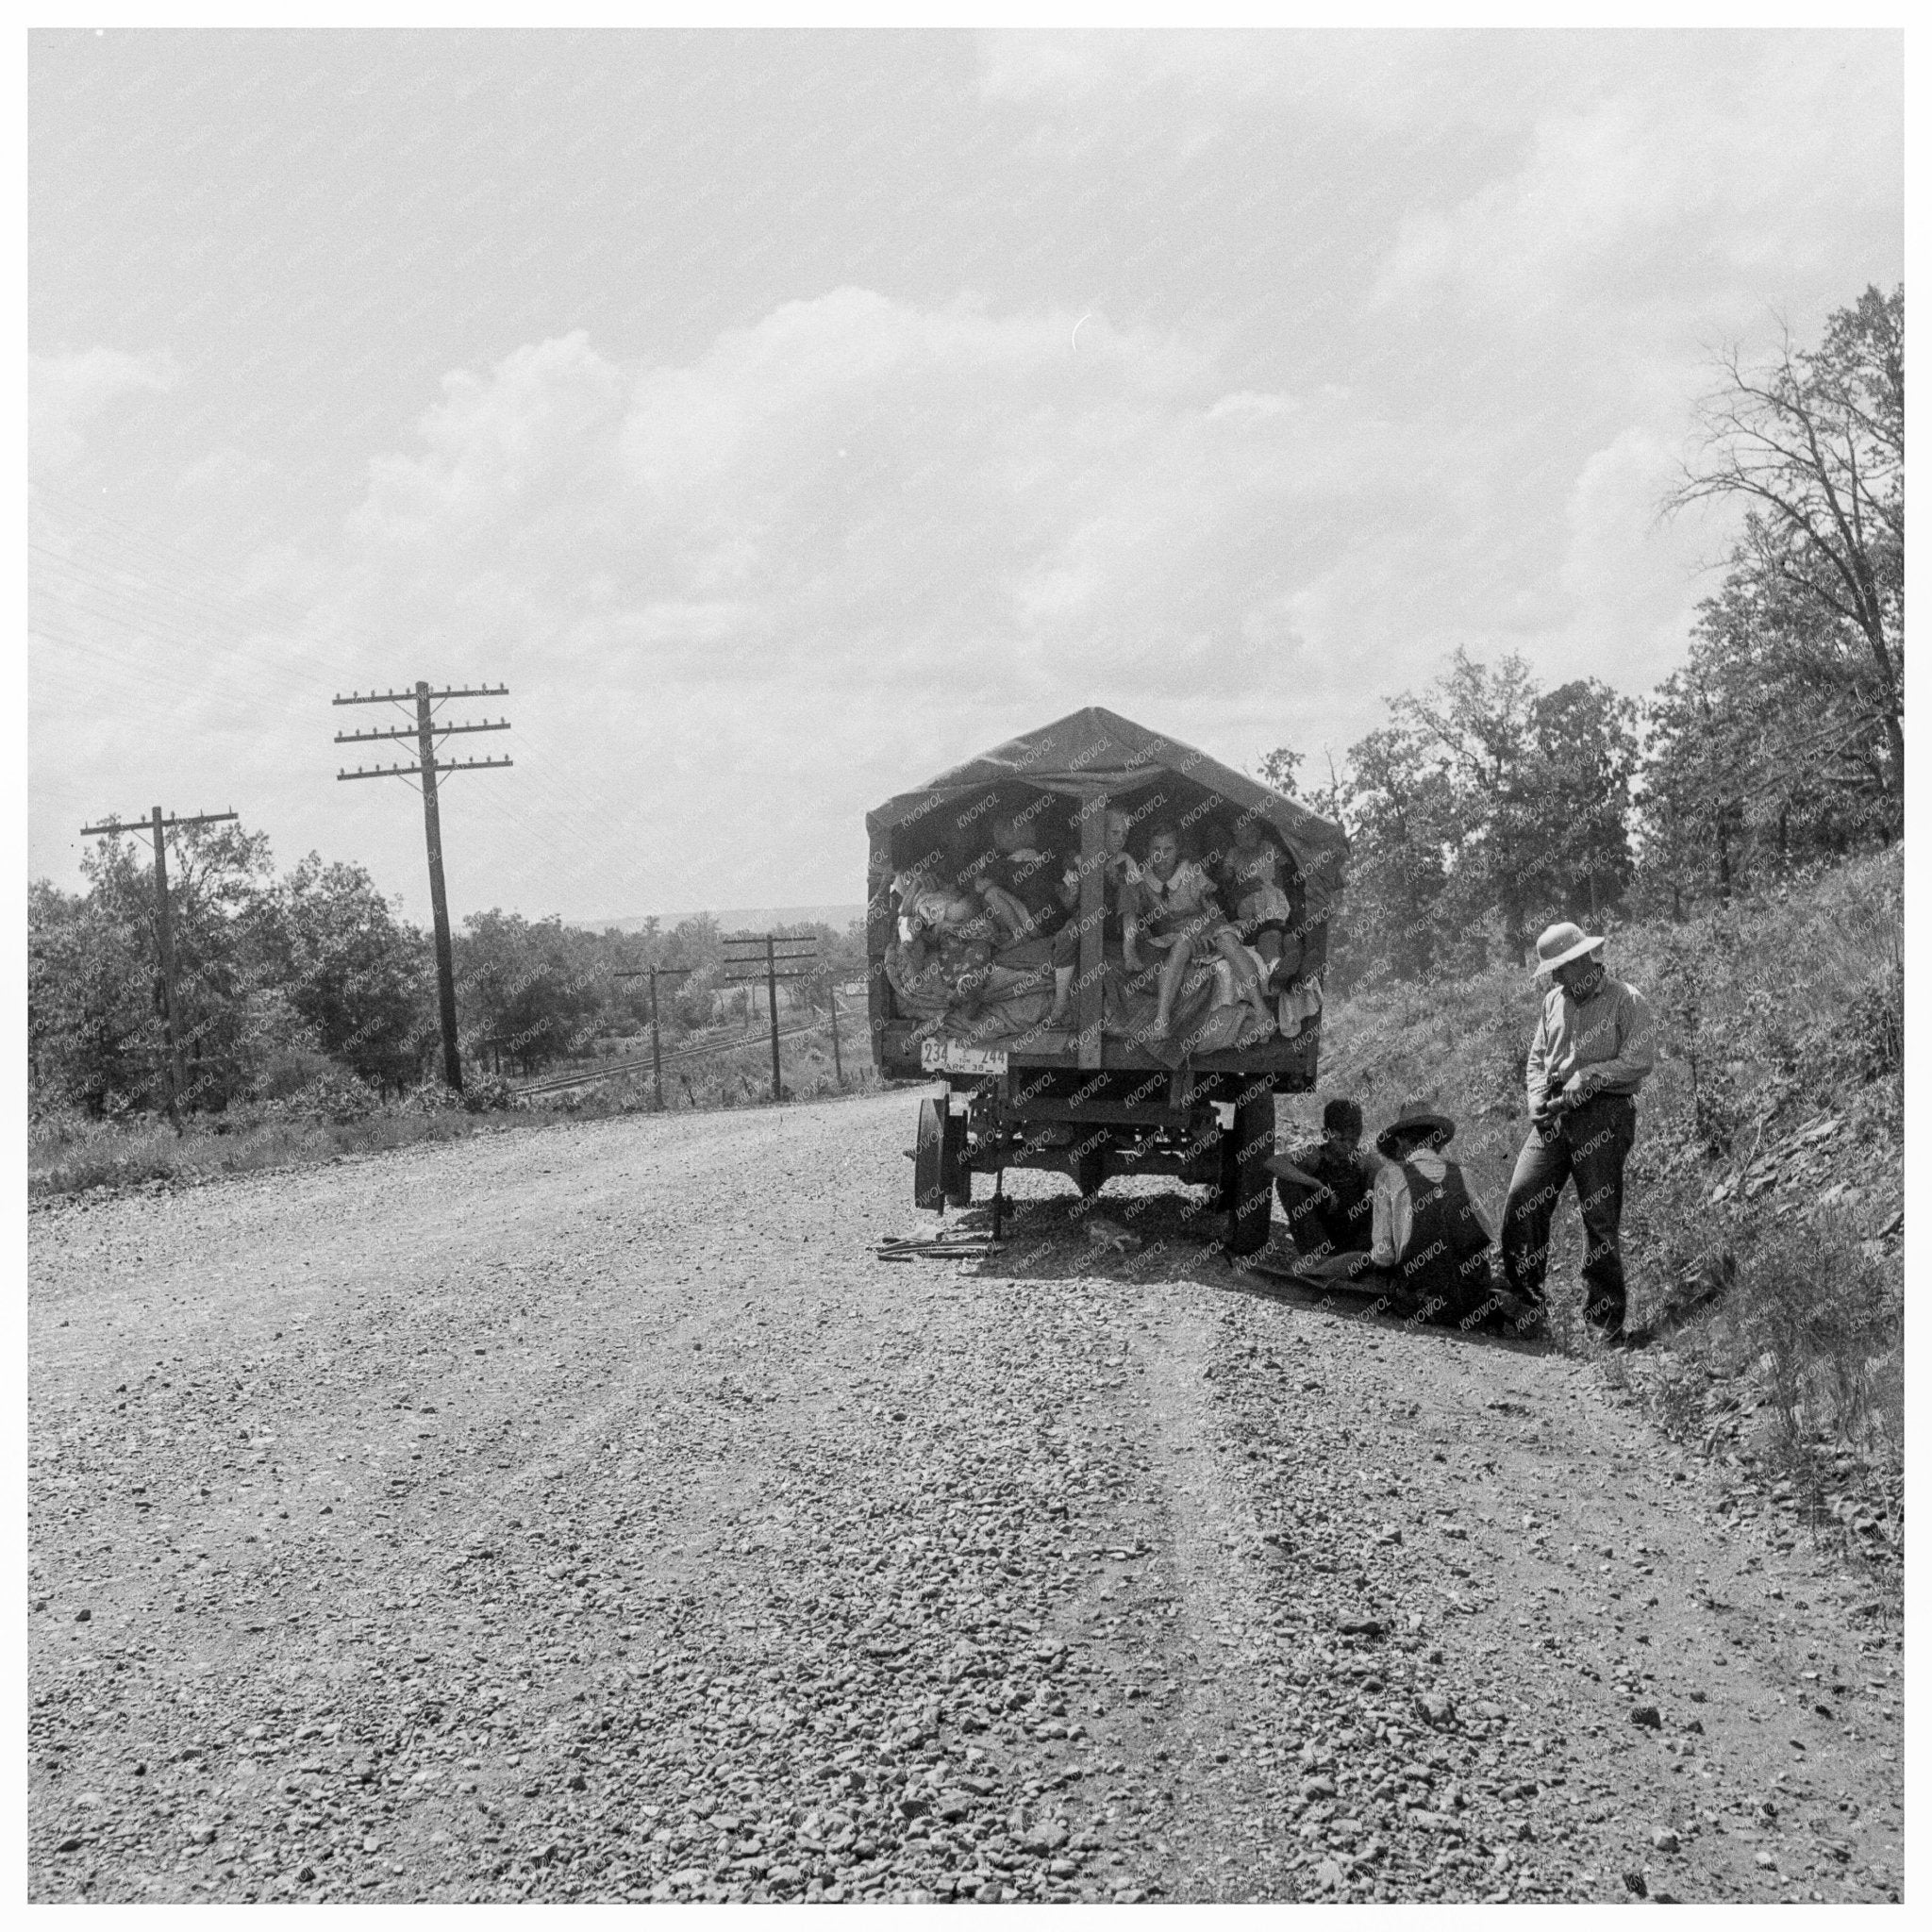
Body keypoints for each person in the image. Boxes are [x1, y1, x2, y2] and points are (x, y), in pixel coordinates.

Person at [1500, 922, 1657, 1344]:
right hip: (1554, 1113)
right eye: (1552, 969)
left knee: (1599, 1216)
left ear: (1584, 959)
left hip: (1604, 1113)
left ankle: (1604, 1321)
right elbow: (1538, 1059)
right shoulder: (1553, 1001)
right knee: (1523, 1198)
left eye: (1560, 967)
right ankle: (1526, 1302)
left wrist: (1589, 1077)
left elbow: (1640, 1059)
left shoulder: (1626, 999)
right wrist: (1537, 1097)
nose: (1554, 976)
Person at [1291, 1102, 1518, 1327]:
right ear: (1438, 1142)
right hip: (1472, 1303)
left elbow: (1383, 1256)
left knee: (1361, 1263)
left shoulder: (1389, 1176)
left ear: (1400, 1141)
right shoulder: (1465, 1175)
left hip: (1419, 1302)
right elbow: (1488, 1236)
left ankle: (1309, 1272)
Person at [1126, 823, 1273, 1040]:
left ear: (1178, 850)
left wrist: (1209, 931)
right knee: (1180, 947)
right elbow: (1137, 917)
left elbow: (1213, 911)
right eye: (1156, 849)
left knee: (1227, 940)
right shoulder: (1142, 881)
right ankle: (1161, 1020)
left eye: (1168, 849)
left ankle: (1262, 1011)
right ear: (1147, 851)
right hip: (1176, 936)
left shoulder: (1191, 873)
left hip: (1206, 926)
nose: (1162, 856)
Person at [1043, 806, 1140, 1028]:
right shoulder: (1079, 860)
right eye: (1115, 832)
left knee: (1127, 890)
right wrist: (1073, 893)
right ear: (1099, 832)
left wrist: (1119, 882)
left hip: (1115, 922)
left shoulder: (1126, 861)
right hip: (1085, 919)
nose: (1120, 839)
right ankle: (1060, 1001)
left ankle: (1129, 949)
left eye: (1124, 835)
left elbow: (1137, 898)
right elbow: (1068, 905)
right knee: (1066, 936)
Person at [1265, 1097, 1375, 1261]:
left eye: (1353, 1140)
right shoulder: (1314, 1156)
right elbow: (1273, 1163)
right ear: (1325, 1134)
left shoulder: (1364, 1162)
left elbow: (1391, 1181)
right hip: (1319, 1237)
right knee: (1287, 1183)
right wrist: (1314, 1183)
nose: (1347, 1146)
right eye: (1341, 1139)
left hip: (1354, 1240)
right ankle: (1318, 1258)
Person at [1219, 812, 1295, 991]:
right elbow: (1226, 875)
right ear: (1235, 839)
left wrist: (1281, 872)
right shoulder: (1234, 853)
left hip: (1269, 896)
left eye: (1250, 835)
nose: (1246, 841)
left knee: (1274, 926)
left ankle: (1278, 967)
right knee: (1256, 925)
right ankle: (1275, 968)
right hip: (1247, 901)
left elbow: (1285, 864)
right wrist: (1231, 878)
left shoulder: (1267, 847)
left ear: (1258, 832)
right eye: (1240, 838)